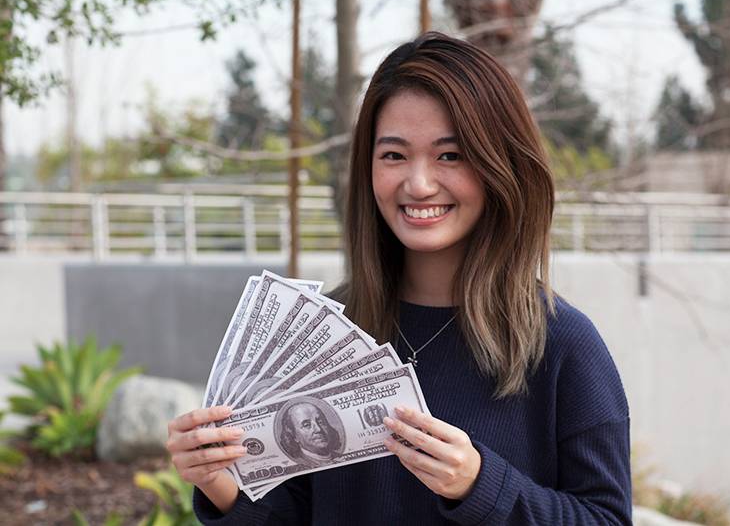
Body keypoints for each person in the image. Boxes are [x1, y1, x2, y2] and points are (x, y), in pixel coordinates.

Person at [166, 31, 631, 525]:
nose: (419, 183)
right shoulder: (319, 336)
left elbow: (606, 518)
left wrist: (481, 484)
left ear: (501, 166)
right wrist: (219, 482)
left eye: (450, 155)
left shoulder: (562, 345)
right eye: (394, 155)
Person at [278, 401, 343, 467]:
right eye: (307, 425)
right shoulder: (301, 463)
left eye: (321, 422)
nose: (318, 429)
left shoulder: (341, 457)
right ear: (294, 435)